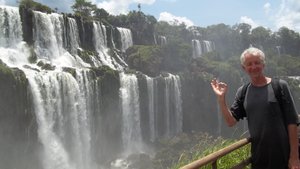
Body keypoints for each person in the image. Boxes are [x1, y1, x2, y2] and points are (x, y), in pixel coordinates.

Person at [210, 47, 300, 169]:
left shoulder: (279, 86)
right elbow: (230, 121)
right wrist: (221, 99)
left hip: (284, 156)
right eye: (249, 64)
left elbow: (292, 122)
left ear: (263, 64)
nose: (254, 67)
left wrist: (294, 157)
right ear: (244, 68)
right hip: (259, 158)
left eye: (257, 62)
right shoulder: (243, 91)